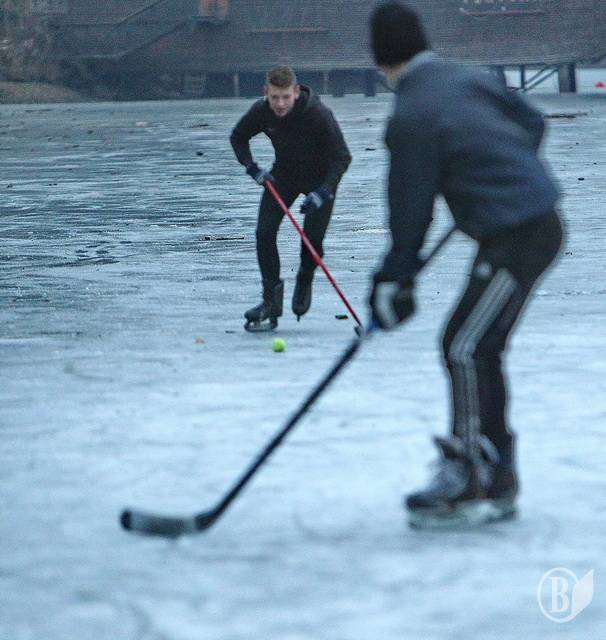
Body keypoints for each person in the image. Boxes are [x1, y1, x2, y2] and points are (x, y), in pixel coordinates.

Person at [368, 2, 564, 528]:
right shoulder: (469, 76)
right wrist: (494, 173)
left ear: (380, 60)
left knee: (463, 345)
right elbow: (532, 122)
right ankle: (497, 473)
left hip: (519, 236)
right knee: (478, 346)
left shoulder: (411, 113)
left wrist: (395, 276)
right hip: (533, 224)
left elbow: (410, 208)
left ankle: (468, 472)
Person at [230, 65, 351, 331]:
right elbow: (238, 137)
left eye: (285, 97)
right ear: (266, 92)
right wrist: (253, 168)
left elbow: (342, 157)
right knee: (264, 233)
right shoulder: (262, 111)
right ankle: (270, 301)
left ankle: (305, 276)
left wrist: (323, 192)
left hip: (320, 180)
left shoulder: (319, 115)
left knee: (312, 241)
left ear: (296, 92)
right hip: (283, 176)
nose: (280, 104)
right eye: (275, 97)